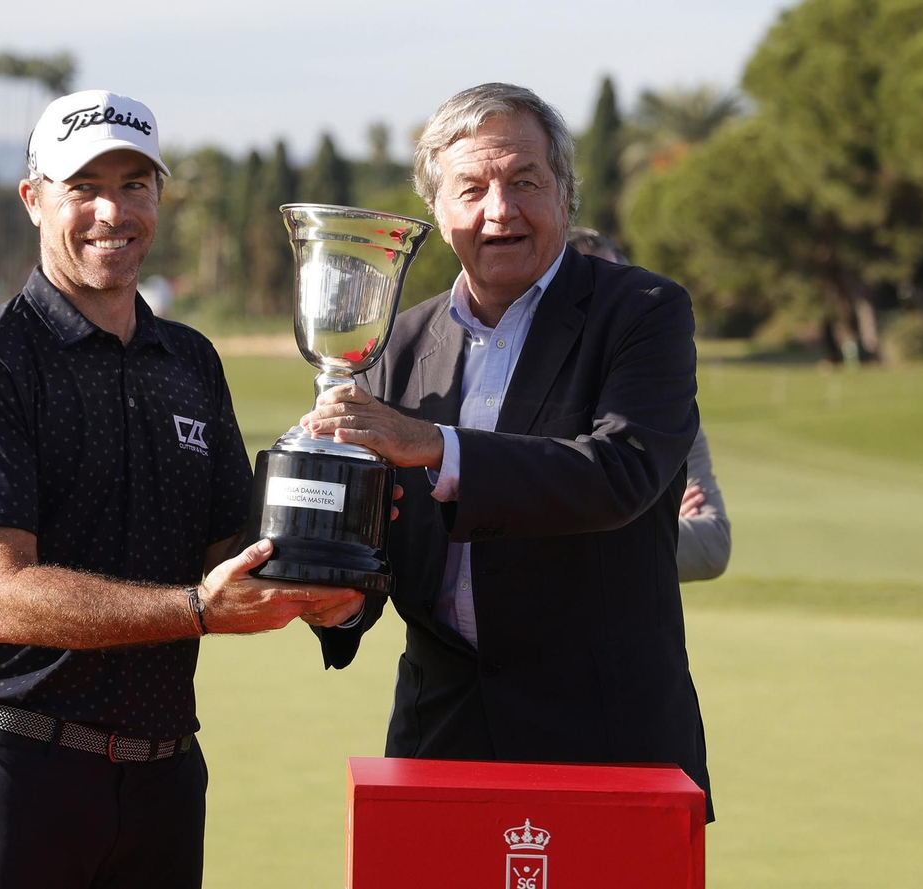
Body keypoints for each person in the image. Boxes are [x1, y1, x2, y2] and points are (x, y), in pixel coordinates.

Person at [0, 89, 363, 888]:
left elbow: (232, 548)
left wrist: (327, 559)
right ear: (34, 199)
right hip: (11, 775)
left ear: (159, 196)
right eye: (84, 187)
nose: (112, 212)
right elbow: (3, 598)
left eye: (134, 185)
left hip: (161, 787)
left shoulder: (190, 361)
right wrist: (197, 608)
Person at [305, 83, 713, 818]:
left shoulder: (643, 313)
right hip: (442, 736)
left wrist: (432, 444)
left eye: (525, 181)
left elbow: (618, 474)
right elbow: (385, 541)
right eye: (472, 188)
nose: (500, 210)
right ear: (438, 210)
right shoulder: (397, 343)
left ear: (564, 194)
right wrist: (333, 594)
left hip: (604, 740)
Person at [565, 227, 731, 582]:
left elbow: (713, 546)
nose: (604, 311)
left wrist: (559, 535)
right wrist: (656, 521)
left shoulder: (668, 411)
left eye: (615, 290)